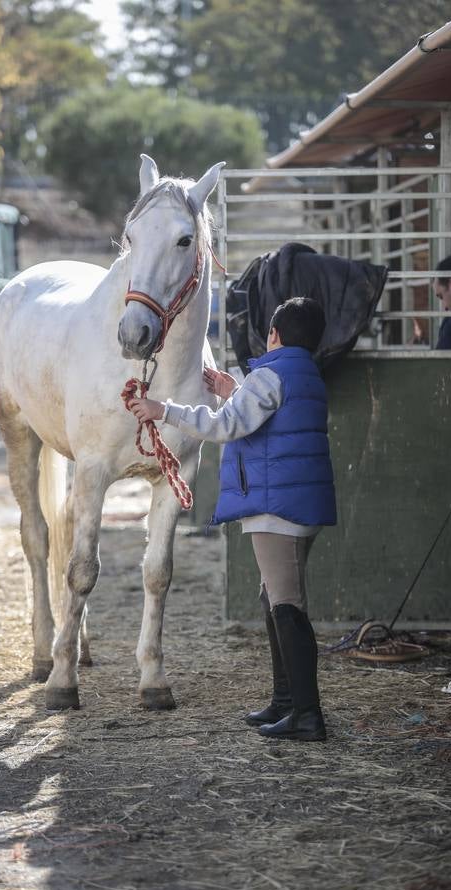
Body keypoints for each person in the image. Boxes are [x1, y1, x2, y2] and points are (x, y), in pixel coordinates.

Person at [129, 297, 336, 742]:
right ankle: (285, 702)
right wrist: (234, 392)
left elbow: (225, 427)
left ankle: (307, 714)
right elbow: (266, 415)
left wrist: (164, 411)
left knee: (287, 609)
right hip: (295, 505)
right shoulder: (305, 374)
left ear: (274, 335)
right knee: (275, 601)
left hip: (274, 509)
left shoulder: (269, 374)